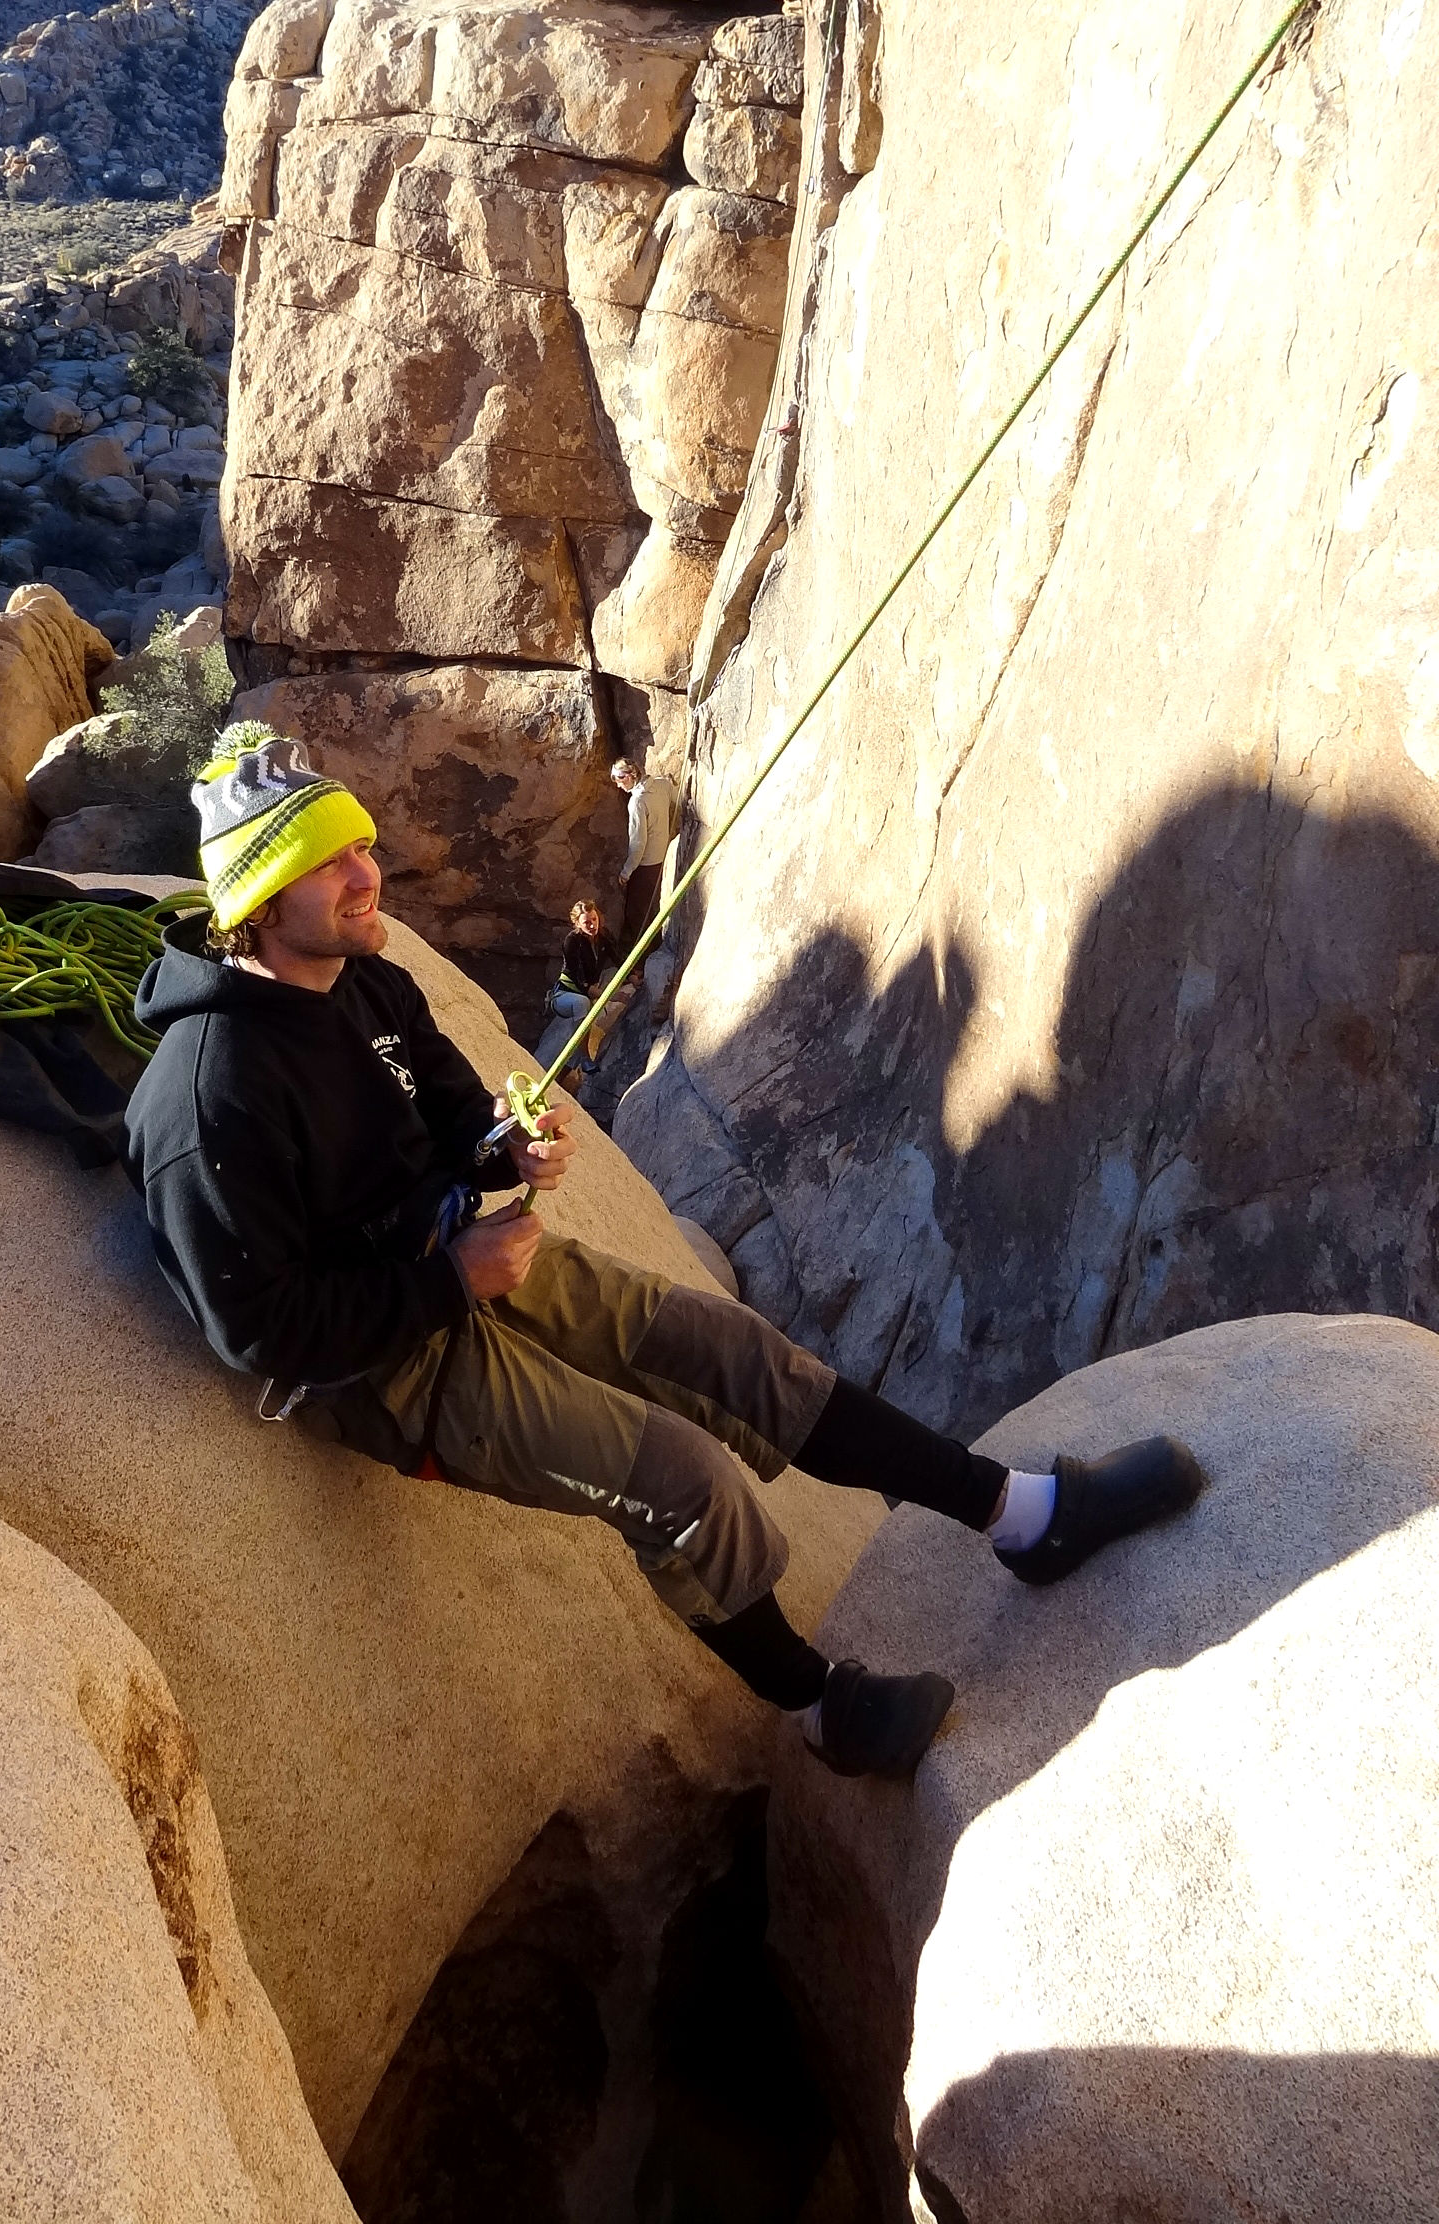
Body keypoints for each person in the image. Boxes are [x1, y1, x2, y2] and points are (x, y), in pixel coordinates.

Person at [127, 727, 1205, 1781]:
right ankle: (823, 1710)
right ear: (260, 903)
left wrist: (505, 1144)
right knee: (683, 1480)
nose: (368, 876)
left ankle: (1025, 1516)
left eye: (361, 846)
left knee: (741, 1353)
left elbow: (454, 1113)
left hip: (453, 1254)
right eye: (328, 865)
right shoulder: (212, 1094)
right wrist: (450, 1280)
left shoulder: (368, 981)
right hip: (382, 1361)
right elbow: (259, 1331)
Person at [533, 896, 626, 1075]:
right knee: (582, 1003)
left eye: (594, 919)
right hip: (564, 995)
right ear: (577, 924)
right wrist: (610, 996)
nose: (592, 925)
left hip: (589, 991)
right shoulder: (572, 941)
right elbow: (577, 979)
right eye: (586, 923)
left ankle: (573, 1063)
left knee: (590, 1000)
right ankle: (585, 1058)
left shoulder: (603, 936)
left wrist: (635, 975)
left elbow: (618, 958)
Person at [612, 758, 679, 946]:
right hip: (662, 857)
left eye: (619, 779)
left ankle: (644, 954)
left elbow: (638, 843)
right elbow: (677, 798)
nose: (618, 784)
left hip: (646, 864)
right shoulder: (661, 784)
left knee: (638, 913)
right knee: (654, 906)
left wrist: (626, 872)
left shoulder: (637, 802)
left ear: (630, 776)